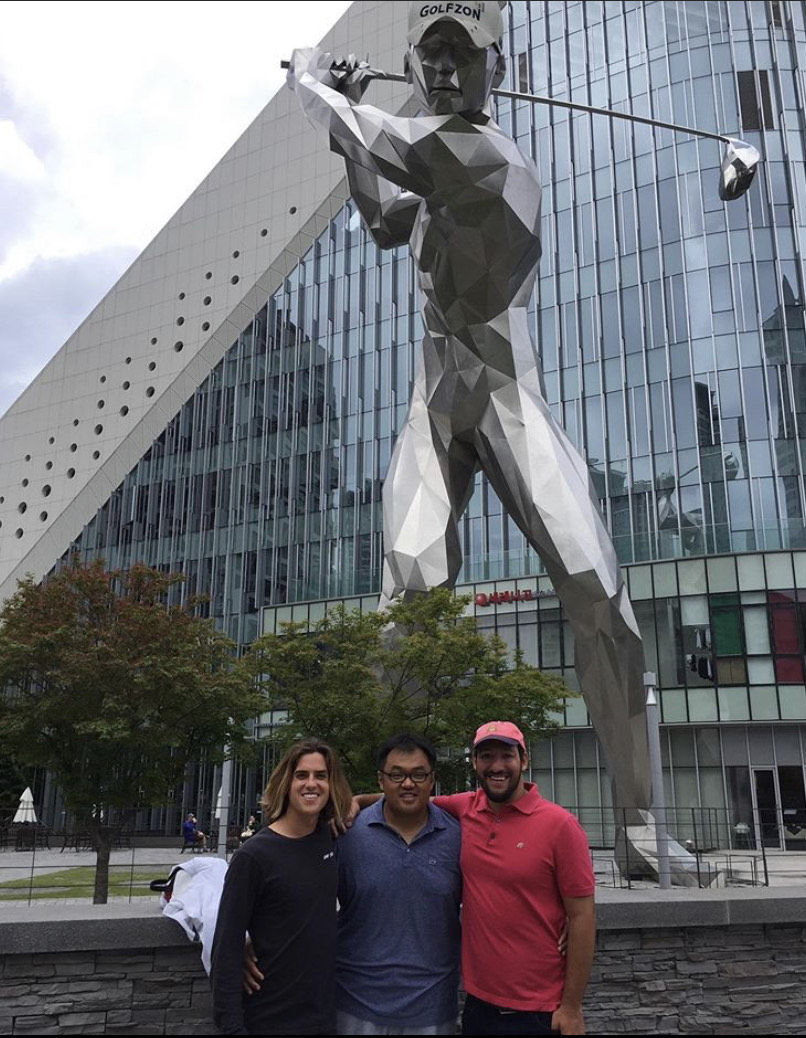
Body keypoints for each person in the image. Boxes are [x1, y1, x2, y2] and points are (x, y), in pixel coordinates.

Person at [286, 1, 652, 835]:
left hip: (506, 396)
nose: (443, 68)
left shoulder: (492, 161)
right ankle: (385, 825)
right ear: (414, 66)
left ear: (497, 67)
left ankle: (640, 826)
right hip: (435, 400)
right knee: (406, 613)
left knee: (600, 595)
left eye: (461, 53)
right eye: (430, 55)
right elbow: (384, 218)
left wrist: (314, 88)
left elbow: (388, 144)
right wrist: (347, 139)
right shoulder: (435, 173)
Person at [435, 721, 595, 1036]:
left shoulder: (561, 825)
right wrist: (356, 804)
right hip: (479, 1006)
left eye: (506, 756)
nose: (497, 766)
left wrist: (572, 1007)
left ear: (523, 760)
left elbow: (583, 916)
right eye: (487, 756)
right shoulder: (465, 808)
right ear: (475, 763)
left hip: (539, 1013)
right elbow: (406, 799)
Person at [210, 737, 352, 1036]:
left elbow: (393, 796)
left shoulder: (328, 838)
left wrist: (357, 801)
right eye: (302, 775)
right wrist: (232, 1028)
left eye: (321, 776)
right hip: (269, 1018)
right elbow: (226, 950)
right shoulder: (255, 856)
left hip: (323, 1018)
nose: (311, 784)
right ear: (286, 782)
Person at [336, 733, 461, 1035]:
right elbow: (306, 898)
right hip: (355, 1004)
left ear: (432, 780)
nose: (408, 783)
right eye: (397, 774)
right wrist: (253, 935)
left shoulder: (458, 838)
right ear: (381, 780)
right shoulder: (346, 835)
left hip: (433, 1007)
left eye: (419, 774)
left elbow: (494, 896)